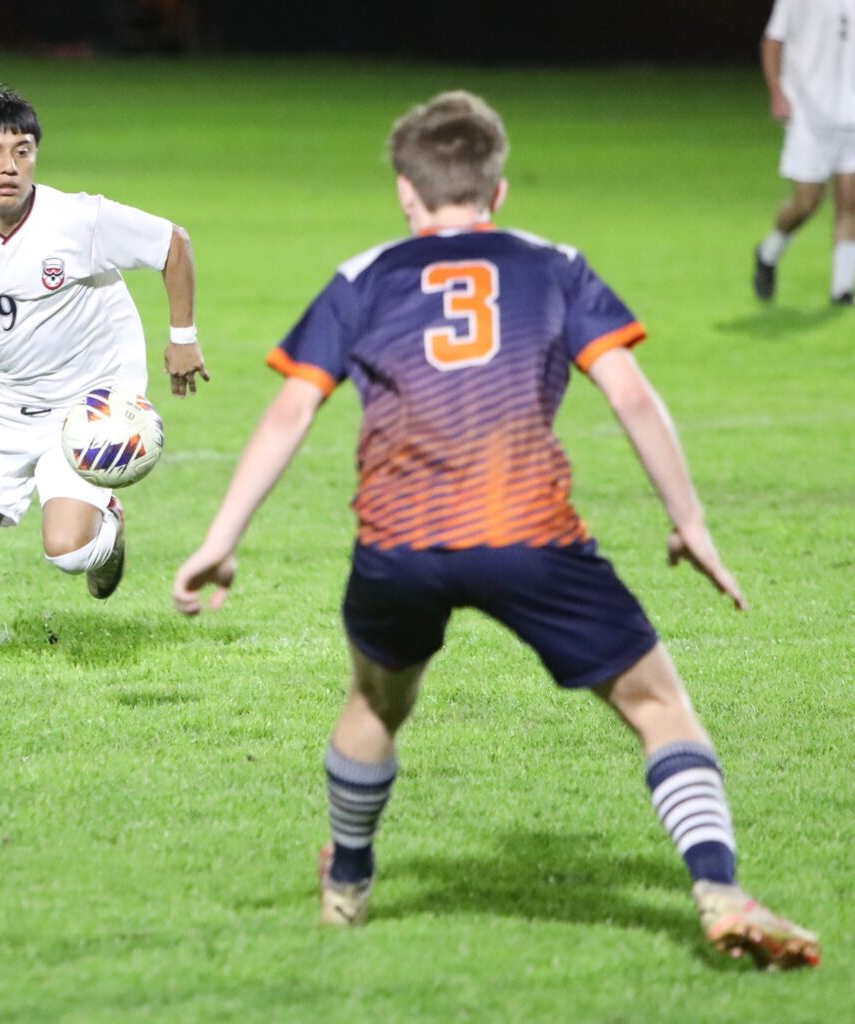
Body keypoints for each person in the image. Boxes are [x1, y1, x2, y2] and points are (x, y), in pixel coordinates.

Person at [173, 91, 820, 968]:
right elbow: (629, 391)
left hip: (401, 543)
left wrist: (221, 536)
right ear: (499, 190)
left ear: (407, 191)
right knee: (659, 707)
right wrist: (690, 519)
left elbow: (292, 410)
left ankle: (347, 890)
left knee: (375, 701)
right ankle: (719, 891)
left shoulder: (364, 275)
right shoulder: (554, 265)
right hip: (531, 535)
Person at [0, 83, 209, 672]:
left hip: (91, 404)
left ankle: (105, 527)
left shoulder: (78, 218)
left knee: (66, 554)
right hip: (2, 404)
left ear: (36, 154)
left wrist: (183, 339)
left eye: (23, 150)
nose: (8, 166)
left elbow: (173, 242)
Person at [754, 0, 855, 304]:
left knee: (850, 200)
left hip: (851, 114)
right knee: (807, 202)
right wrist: (777, 92)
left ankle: (842, 288)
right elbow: (773, 41)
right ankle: (768, 253)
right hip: (809, 114)